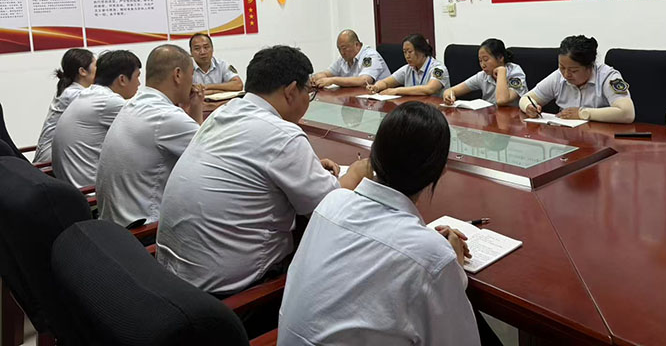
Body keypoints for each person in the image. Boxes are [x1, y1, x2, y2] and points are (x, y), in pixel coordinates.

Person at [156, 45, 373, 296]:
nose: (309, 99)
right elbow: (328, 207)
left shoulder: (222, 113)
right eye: (309, 92)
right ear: (291, 91)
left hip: (172, 280)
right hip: (235, 295)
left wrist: (307, 166)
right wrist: (357, 172)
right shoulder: (282, 135)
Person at [278, 102, 480, 346]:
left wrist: (433, 252)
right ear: (441, 170)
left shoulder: (332, 202)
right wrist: (453, 265)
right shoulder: (431, 256)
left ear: (373, 154)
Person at [96, 45, 204, 228]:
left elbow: (196, 143)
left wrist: (195, 107)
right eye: (192, 74)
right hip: (144, 231)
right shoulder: (165, 116)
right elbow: (216, 160)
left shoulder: (135, 104)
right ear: (178, 75)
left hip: (113, 228)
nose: (194, 82)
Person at [51, 50, 141, 189]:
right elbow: (149, 125)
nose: (139, 83)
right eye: (137, 76)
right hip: (90, 193)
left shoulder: (89, 94)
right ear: (122, 79)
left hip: (72, 187)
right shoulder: (108, 102)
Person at [519, 35, 635, 123]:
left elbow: (627, 113)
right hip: (568, 137)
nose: (566, 74)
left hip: (601, 138)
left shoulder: (608, 77)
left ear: (590, 66)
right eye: (562, 67)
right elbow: (526, 98)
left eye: (573, 70)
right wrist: (529, 107)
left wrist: (582, 113)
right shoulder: (558, 76)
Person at [34, 48, 96, 164]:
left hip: (59, 154)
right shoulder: (74, 94)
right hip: (52, 159)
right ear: (82, 71)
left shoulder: (72, 91)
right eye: (96, 66)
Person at [444, 39, 527, 106]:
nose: (483, 65)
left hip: (514, 119)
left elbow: (502, 100)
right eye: (480, 61)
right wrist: (448, 96)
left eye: (486, 59)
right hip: (490, 117)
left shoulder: (516, 73)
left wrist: (501, 71)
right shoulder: (483, 75)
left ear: (500, 58)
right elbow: (451, 90)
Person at [367, 34, 450, 97]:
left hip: (434, 110)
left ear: (422, 51)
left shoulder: (438, 69)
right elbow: (386, 82)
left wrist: (397, 91)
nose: (407, 56)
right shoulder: (408, 68)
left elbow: (430, 89)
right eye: (404, 52)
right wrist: (376, 87)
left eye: (410, 52)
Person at [311, 29, 390, 88]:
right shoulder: (343, 59)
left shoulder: (369, 56)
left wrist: (332, 80)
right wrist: (316, 78)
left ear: (357, 45)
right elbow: (327, 73)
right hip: (356, 97)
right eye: (339, 49)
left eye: (344, 48)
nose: (342, 52)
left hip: (379, 99)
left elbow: (364, 81)